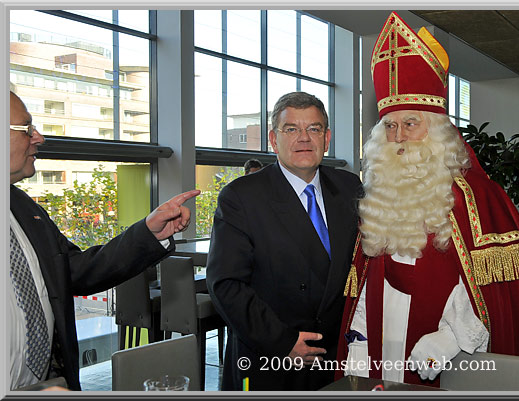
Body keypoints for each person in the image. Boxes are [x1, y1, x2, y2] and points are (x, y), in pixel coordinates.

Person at [335, 12, 519, 388]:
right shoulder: (380, 195)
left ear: (438, 131)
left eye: (410, 124)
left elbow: (496, 293)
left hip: (450, 357)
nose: (397, 137)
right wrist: (358, 340)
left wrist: (451, 338)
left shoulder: (479, 196)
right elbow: (366, 278)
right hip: (382, 339)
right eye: (390, 126)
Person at [9, 90, 200, 391]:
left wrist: (149, 232)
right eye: (27, 127)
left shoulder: (23, 208)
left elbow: (77, 271)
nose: (39, 137)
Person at [206, 91, 362, 391]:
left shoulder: (350, 187)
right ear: (274, 140)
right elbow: (226, 284)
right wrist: (283, 341)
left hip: (337, 358)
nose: (304, 138)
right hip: (272, 357)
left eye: (313, 129)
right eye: (291, 129)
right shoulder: (241, 197)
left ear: (326, 138)